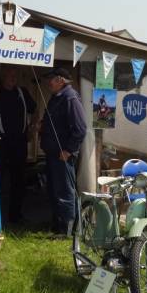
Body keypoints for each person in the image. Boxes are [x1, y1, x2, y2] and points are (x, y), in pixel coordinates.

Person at [40, 67, 87, 236]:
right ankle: (59, 225)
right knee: (55, 191)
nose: (48, 82)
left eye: (51, 79)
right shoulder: (57, 97)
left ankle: (67, 232)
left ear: (60, 80)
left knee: (65, 193)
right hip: (53, 154)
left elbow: (80, 129)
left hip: (63, 156)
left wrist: (68, 150)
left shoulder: (70, 98)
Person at [0, 65, 37, 224]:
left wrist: (33, 128)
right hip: (0, 142)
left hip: (19, 142)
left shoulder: (22, 92)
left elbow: (35, 110)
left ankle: (16, 215)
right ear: (3, 77)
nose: (13, 79)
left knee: (19, 180)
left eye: (15, 76)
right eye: (10, 75)